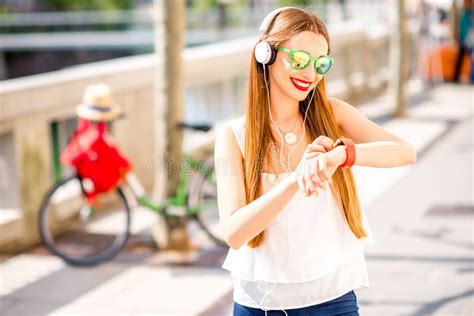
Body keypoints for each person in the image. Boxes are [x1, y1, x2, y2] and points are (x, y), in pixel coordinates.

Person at [214, 7, 417, 316]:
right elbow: (234, 232)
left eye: (321, 64)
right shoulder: (234, 136)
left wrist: (341, 155)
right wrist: (295, 180)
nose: (310, 74)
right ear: (265, 53)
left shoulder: (333, 115)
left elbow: (404, 152)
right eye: (298, 60)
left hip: (333, 300)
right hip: (259, 306)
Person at [453, 0, 473, 83]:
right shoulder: (463, 14)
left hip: (471, 40)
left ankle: (472, 77)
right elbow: (461, 28)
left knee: (472, 58)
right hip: (463, 40)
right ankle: (455, 77)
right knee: (459, 59)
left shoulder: (471, 14)